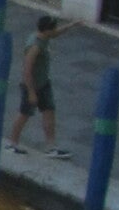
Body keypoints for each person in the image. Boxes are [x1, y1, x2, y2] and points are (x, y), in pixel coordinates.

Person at [9, 11, 81, 157]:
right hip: (32, 85)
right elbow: (27, 70)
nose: (55, 31)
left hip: (43, 83)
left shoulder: (44, 36)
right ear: (47, 30)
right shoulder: (35, 46)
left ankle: (51, 147)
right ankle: (12, 144)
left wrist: (71, 25)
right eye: (53, 28)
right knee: (24, 114)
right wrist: (31, 92)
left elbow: (56, 33)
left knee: (49, 111)